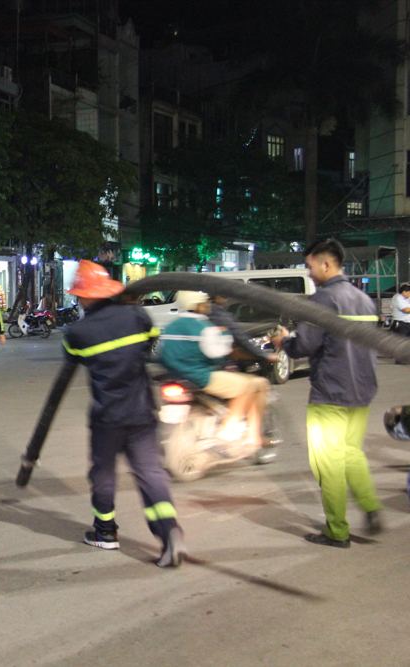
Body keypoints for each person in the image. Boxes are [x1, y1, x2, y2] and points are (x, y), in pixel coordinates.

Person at [63, 261, 185, 567]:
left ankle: (105, 532)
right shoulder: (136, 315)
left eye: (79, 295)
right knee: (150, 474)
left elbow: (72, 358)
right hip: (142, 411)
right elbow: (152, 338)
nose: (78, 300)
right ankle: (168, 531)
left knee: (103, 476)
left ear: (88, 296)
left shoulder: (78, 332)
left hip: (107, 418)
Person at [272, 239, 382, 548]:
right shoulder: (364, 300)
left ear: (326, 264)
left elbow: (304, 345)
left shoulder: (322, 301)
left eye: (309, 267)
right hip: (362, 389)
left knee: (327, 463)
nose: (309, 273)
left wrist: (284, 342)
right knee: (351, 453)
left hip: (331, 391)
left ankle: (337, 531)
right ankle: (371, 506)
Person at [160, 291, 270, 451]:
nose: (207, 306)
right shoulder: (204, 327)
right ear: (196, 306)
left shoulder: (170, 327)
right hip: (201, 376)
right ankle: (229, 430)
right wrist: (224, 336)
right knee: (248, 386)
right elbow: (217, 355)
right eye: (204, 303)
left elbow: (160, 354)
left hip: (174, 377)